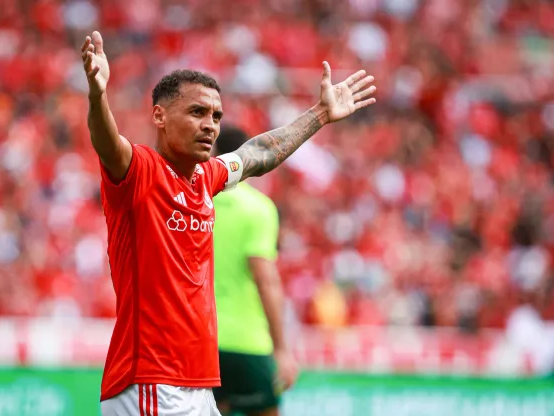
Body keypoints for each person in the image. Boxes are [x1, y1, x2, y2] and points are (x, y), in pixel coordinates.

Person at [80, 30, 377, 416]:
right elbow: (106, 142)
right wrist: (97, 94)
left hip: (198, 382)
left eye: (216, 116)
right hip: (151, 380)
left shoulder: (208, 178)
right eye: (197, 112)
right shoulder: (139, 171)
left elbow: (258, 153)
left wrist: (319, 114)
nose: (210, 125)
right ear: (159, 115)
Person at [211, 125, 298, 416]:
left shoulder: (197, 201)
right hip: (246, 342)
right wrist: (282, 349)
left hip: (200, 342)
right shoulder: (257, 208)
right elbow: (266, 280)